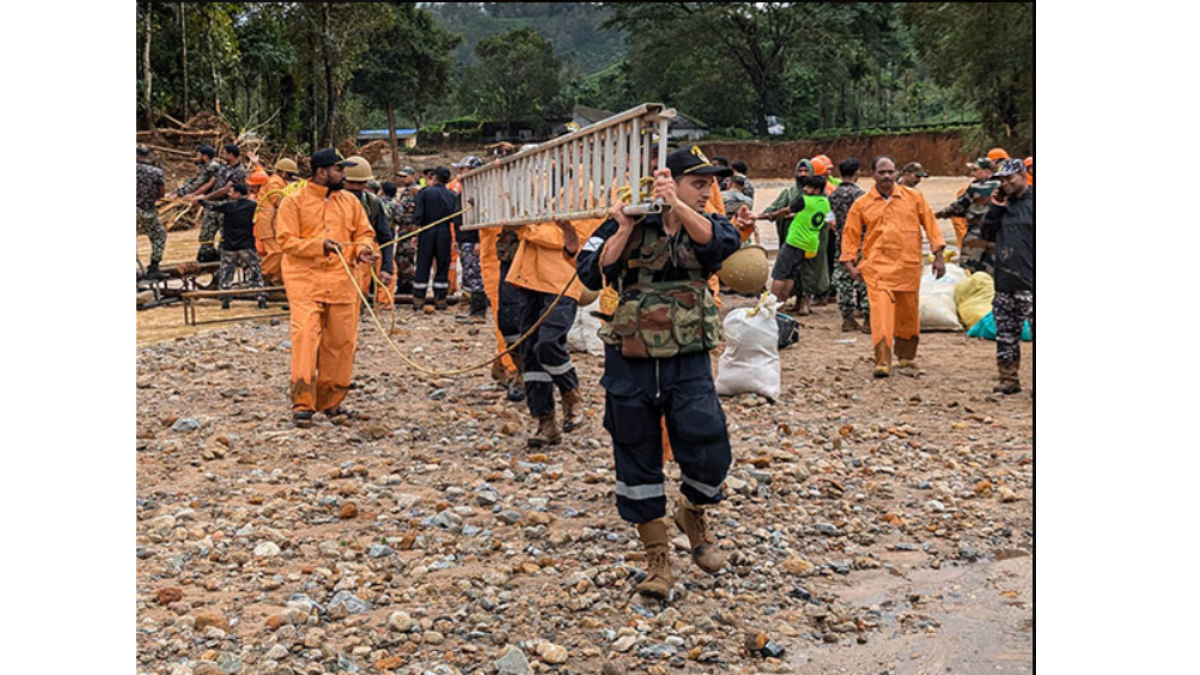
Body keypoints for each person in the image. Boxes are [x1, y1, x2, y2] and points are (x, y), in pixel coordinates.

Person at [576, 146, 741, 600]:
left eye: (710, 184)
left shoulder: (706, 220)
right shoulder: (625, 219)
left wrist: (681, 206)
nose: (708, 191)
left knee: (709, 445)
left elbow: (721, 248)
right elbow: (592, 271)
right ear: (668, 180)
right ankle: (658, 561)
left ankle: (693, 511)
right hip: (630, 359)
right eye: (698, 182)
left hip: (687, 358)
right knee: (635, 452)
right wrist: (625, 226)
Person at [275, 149, 377, 427]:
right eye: (339, 169)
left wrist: (364, 250)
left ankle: (331, 402)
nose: (344, 175)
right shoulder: (293, 202)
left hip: (343, 282)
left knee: (342, 343)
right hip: (305, 282)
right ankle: (303, 403)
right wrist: (318, 245)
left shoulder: (350, 203)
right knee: (305, 338)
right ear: (322, 171)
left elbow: (365, 233)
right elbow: (285, 241)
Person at [840, 156, 946, 378]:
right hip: (877, 268)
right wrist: (849, 262)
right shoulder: (862, 203)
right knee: (881, 315)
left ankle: (906, 357)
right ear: (873, 175)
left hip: (908, 266)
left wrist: (938, 255)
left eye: (890, 172)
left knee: (908, 314)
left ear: (896, 172)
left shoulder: (914, 198)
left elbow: (931, 225)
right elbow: (850, 233)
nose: (886, 176)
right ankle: (882, 360)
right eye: (882, 172)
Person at [504, 214, 598, 447]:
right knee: (531, 354)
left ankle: (570, 392)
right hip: (528, 276)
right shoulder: (535, 186)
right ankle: (545, 422)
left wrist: (526, 228)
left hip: (562, 278)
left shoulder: (586, 190)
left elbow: (575, 238)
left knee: (549, 343)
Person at [981, 159, 1034, 394]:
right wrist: (995, 208)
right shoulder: (1002, 204)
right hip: (1004, 282)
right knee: (1006, 334)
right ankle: (1008, 378)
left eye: (1009, 178)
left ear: (1023, 175)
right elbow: (986, 234)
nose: (1005, 184)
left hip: (1031, 282)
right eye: (1001, 180)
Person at [199, 183, 268, 310]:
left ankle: (225, 301)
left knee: (227, 273)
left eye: (231, 191)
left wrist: (200, 200)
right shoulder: (252, 205)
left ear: (238, 193)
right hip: (247, 245)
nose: (229, 193)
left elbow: (211, 206)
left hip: (229, 246)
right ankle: (261, 298)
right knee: (254, 272)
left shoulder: (228, 206)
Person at [768, 176, 832, 312]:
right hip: (810, 246)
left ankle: (771, 305)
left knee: (779, 274)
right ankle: (781, 304)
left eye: (808, 187)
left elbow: (786, 210)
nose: (805, 189)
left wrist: (772, 215)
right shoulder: (826, 203)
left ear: (816, 190)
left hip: (795, 242)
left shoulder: (805, 201)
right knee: (791, 274)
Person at [343, 156, 395, 309]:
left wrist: (387, 268)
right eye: (351, 183)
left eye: (361, 183)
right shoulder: (329, 202)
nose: (356, 187)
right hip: (335, 258)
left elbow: (386, 238)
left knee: (358, 294)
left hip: (361, 256)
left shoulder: (373, 203)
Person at [937, 158, 1000, 274]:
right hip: (998, 236)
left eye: (976, 170)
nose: (973, 173)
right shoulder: (1004, 186)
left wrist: (937, 215)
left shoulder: (975, 187)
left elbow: (958, 207)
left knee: (968, 271)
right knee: (992, 272)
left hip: (976, 234)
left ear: (987, 172)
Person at [828, 158, 870, 333]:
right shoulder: (861, 196)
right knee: (864, 279)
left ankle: (847, 318)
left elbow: (830, 220)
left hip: (841, 243)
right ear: (857, 173)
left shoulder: (832, 195)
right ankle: (868, 319)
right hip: (860, 242)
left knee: (843, 281)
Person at [411, 166, 460, 311]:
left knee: (423, 263)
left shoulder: (425, 192)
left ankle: (419, 300)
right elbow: (456, 218)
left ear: (435, 177)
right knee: (443, 264)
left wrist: (415, 235)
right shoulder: (452, 195)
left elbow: (417, 216)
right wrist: (456, 238)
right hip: (445, 232)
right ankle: (441, 299)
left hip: (427, 231)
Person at [451, 157, 488, 321]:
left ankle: (478, 311)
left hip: (473, 239)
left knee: (476, 275)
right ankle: (470, 307)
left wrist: (480, 240)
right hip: (464, 238)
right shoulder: (464, 191)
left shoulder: (480, 192)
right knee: (467, 274)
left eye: (463, 169)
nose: (459, 174)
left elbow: (483, 217)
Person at [254, 158, 301, 284]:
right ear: (284, 173)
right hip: (269, 224)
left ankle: (276, 280)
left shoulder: (280, 182)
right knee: (276, 252)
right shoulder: (274, 183)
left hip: (274, 223)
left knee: (283, 252)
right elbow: (279, 200)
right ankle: (261, 276)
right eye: (290, 175)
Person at [136, 145, 168, 279]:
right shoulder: (156, 172)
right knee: (159, 236)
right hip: (147, 211)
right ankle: (154, 267)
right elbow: (161, 194)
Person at [391, 167, 420, 294]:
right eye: (401, 177)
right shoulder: (416, 189)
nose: (402, 179)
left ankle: (406, 285)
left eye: (405, 176)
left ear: (412, 176)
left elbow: (402, 207)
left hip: (408, 228)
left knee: (404, 256)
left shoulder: (411, 191)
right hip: (409, 227)